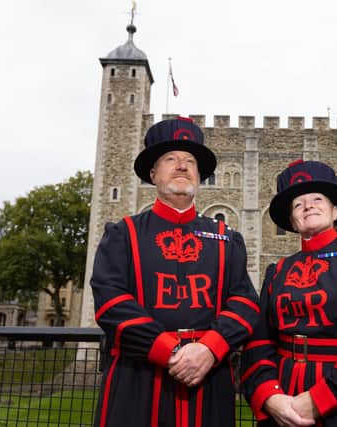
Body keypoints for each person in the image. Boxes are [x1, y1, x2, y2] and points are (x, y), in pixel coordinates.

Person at [92, 116, 260, 427]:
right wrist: (169, 351)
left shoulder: (227, 238)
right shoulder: (122, 234)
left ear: (199, 175)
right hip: (138, 377)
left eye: (190, 161)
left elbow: (245, 303)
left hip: (209, 376)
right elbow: (110, 301)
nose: (182, 166)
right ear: (153, 173)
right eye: (171, 159)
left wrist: (210, 348)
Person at [241, 160, 337, 426]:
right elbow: (259, 343)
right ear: (292, 219)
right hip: (283, 397)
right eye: (298, 204)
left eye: (317, 198)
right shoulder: (277, 271)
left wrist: (317, 400)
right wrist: (270, 396)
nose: (308, 205)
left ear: (335, 211)